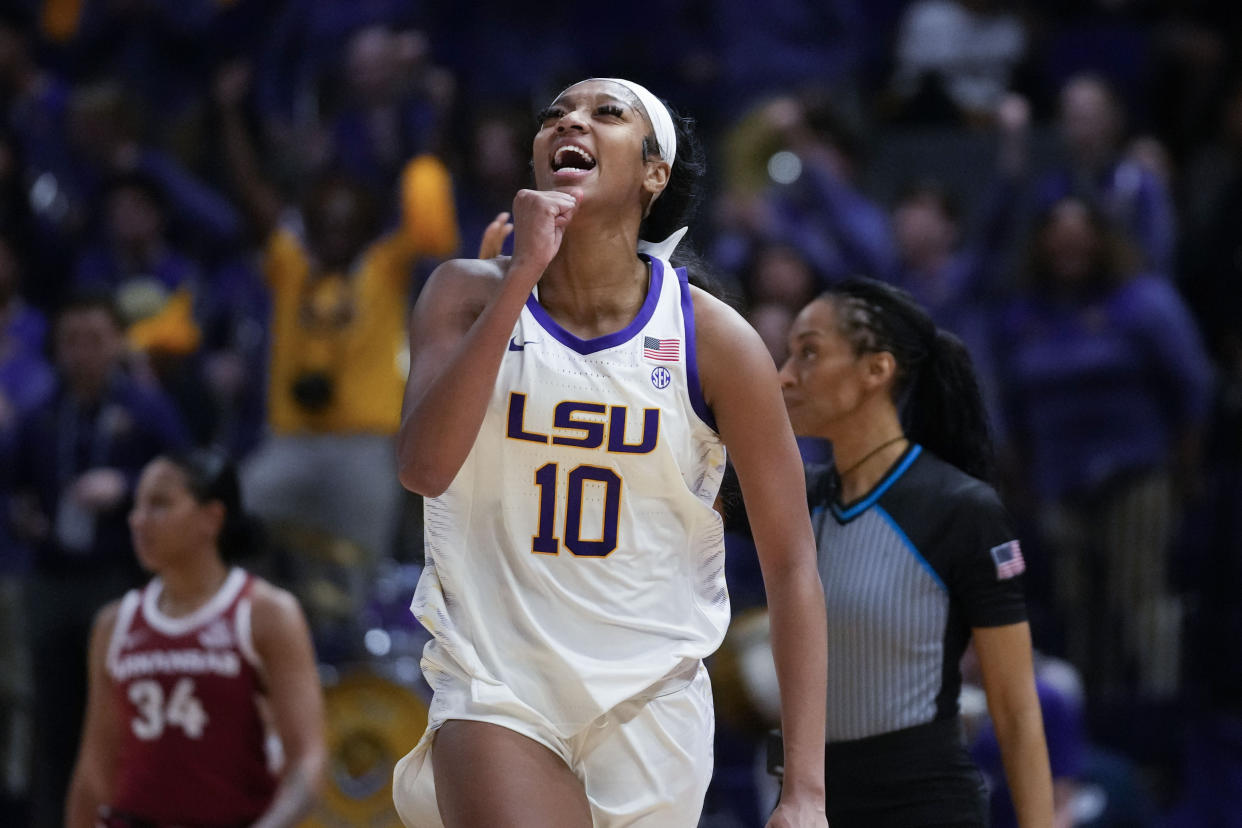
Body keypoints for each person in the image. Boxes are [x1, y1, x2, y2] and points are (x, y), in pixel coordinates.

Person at [391, 78, 829, 827]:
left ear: (654, 173)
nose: (571, 122)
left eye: (606, 113)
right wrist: (521, 274)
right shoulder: (466, 294)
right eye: (556, 115)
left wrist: (806, 791)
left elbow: (792, 566)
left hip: (651, 700)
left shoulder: (713, 339)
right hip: (496, 682)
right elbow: (423, 470)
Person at [777, 277, 1054, 827]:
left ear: (876, 370)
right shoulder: (796, 498)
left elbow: (1017, 710)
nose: (784, 376)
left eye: (808, 352)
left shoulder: (963, 509)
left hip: (924, 807)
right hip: (816, 806)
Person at [64, 448, 326, 828]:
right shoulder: (114, 622)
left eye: (159, 504)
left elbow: (309, 760)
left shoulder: (266, 614)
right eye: (137, 505)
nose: (138, 520)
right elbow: (94, 771)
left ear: (211, 518)